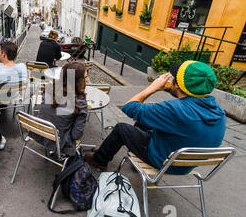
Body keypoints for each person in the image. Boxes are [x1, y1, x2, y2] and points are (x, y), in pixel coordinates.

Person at [84, 60, 226, 175]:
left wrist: (153, 87)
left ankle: (99, 161)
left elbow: (129, 107)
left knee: (121, 128)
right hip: (186, 163)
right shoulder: (218, 110)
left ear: (177, 85)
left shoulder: (174, 109)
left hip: (165, 161)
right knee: (144, 120)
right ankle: (135, 152)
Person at [31, 62, 89, 157]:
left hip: (40, 134)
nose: (88, 80)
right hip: (60, 144)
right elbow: (76, 135)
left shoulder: (49, 88)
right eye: (85, 77)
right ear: (77, 81)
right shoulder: (80, 102)